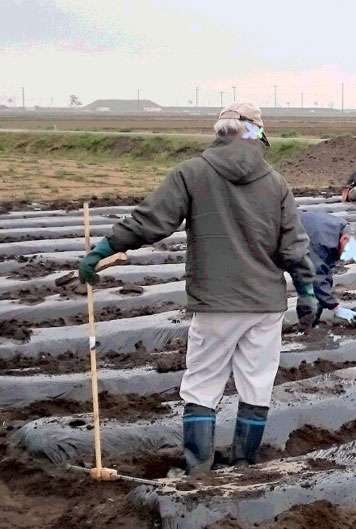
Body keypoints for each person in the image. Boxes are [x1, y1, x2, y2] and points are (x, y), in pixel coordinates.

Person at [76, 103, 315, 474]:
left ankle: (198, 469)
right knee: (257, 384)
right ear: (255, 135)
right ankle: (243, 464)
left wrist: (104, 249)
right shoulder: (275, 183)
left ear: (220, 132)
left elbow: (151, 221)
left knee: (203, 383)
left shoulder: (193, 173)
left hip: (216, 303)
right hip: (266, 304)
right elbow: (294, 247)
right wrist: (308, 292)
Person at [296, 211, 356, 329]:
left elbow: (324, 275)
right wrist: (335, 307)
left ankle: (308, 326)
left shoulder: (340, 231)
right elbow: (316, 277)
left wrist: (328, 299)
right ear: (345, 240)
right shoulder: (321, 241)